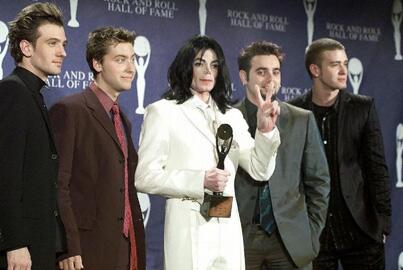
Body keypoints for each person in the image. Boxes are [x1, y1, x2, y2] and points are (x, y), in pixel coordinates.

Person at [135, 35, 281, 270]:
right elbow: (144, 177)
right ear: (186, 66)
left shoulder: (231, 116)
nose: (207, 71)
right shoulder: (163, 112)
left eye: (214, 65)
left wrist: (265, 132)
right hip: (188, 228)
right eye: (199, 63)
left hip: (228, 231)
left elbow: (260, 170)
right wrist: (199, 180)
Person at [289, 37, 391, 269]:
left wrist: (382, 224)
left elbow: (377, 169)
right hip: (316, 234)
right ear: (315, 69)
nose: (344, 70)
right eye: (335, 65)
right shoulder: (295, 111)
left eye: (345, 63)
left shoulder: (363, 108)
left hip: (362, 232)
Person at [49, 27, 146, 270]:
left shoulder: (123, 118)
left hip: (123, 250)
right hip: (84, 251)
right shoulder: (70, 110)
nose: (130, 68)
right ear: (97, 63)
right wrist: (67, 248)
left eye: (132, 59)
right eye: (120, 59)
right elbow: (58, 185)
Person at [235, 41, 330, 270]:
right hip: (240, 239)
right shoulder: (228, 119)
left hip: (289, 241)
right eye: (261, 72)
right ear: (243, 77)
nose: (270, 79)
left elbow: (319, 182)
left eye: (275, 72)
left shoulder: (301, 119)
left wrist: (310, 234)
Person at [0, 3, 67, 270]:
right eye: (52, 43)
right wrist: (14, 243)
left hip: (38, 245)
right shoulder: (12, 93)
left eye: (63, 43)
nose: (62, 52)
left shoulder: (33, 96)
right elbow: (5, 176)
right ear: (26, 48)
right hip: (21, 251)